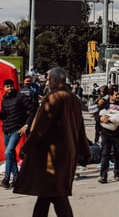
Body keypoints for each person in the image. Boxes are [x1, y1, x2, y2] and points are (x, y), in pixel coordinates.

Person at [13, 67, 90, 217]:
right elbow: (80, 129)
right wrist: (85, 151)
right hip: (67, 154)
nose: (47, 82)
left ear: (55, 80)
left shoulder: (54, 97)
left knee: (56, 194)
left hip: (52, 155)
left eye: (48, 79)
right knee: (46, 194)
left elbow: (40, 128)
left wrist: (26, 147)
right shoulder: (73, 98)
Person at [1, 78, 36, 188]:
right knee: (10, 155)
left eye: (11, 86)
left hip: (17, 129)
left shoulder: (21, 97)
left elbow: (33, 109)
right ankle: (16, 179)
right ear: (4, 88)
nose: (10, 88)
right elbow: (5, 115)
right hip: (7, 130)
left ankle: (6, 179)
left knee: (8, 152)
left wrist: (27, 125)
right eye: (7, 86)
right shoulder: (4, 99)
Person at [98, 86, 119, 183]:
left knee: (117, 153)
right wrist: (101, 119)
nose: (118, 96)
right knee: (105, 154)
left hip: (118, 134)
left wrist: (110, 119)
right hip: (106, 133)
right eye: (116, 94)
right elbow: (98, 116)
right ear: (110, 95)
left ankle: (117, 173)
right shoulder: (104, 104)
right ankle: (103, 176)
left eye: (118, 94)